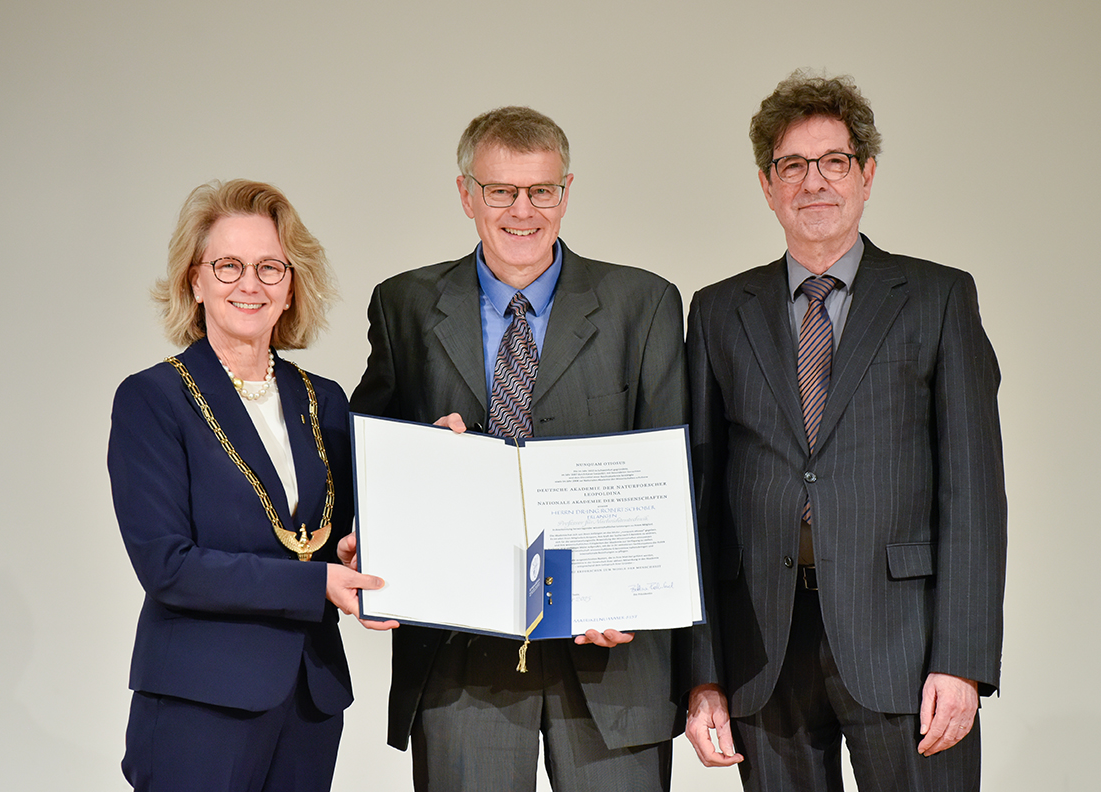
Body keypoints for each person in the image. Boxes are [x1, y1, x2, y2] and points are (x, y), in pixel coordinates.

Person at [344, 106, 688, 791]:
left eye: (541, 190)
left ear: (567, 191)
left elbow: (676, 477)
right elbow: (366, 451)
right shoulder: (405, 304)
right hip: (459, 657)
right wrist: (387, 516)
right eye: (501, 190)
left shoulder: (641, 303)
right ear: (467, 194)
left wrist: (636, 601)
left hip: (610, 657)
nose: (522, 210)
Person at [684, 71, 1007, 791]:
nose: (814, 182)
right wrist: (703, 673)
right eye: (792, 166)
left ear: (865, 175)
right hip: (763, 650)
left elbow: (974, 493)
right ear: (767, 185)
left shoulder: (937, 297)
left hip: (908, 648)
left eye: (833, 162)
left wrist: (962, 659)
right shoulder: (716, 312)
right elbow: (696, 503)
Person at [107, 179, 392, 791]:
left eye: (270, 267)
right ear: (195, 279)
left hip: (309, 700)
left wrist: (352, 553)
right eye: (229, 265)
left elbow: (331, 537)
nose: (250, 283)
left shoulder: (324, 401)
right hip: (199, 703)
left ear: (292, 286)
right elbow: (168, 565)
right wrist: (317, 581)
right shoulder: (152, 400)